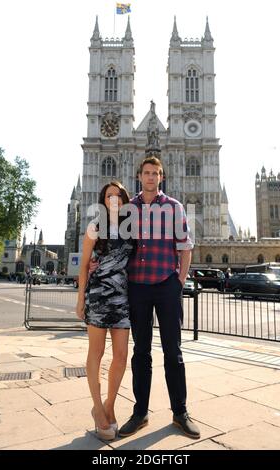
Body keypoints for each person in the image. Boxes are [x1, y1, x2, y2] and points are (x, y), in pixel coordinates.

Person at [89, 156, 200, 440]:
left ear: (161, 177)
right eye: (146, 173)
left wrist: (180, 281)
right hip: (136, 287)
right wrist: (95, 262)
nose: (150, 177)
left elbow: (185, 247)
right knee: (141, 353)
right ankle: (140, 413)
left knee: (173, 351)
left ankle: (180, 411)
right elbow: (111, 240)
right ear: (139, 176)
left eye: (155, 173)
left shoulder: (173, 208)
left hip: (166, 285)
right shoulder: (128, 209)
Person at [76, 181, 134, 441]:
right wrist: (80, 300)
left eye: (118, 196)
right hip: (98, 296)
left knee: (121, 356)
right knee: (96, 354)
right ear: (102, 200)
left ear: (124, 200)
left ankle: (110, 404)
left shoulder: (131, 229)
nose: (114, 200)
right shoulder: (94, 227)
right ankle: (98, 409)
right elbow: (84, 265)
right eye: (109, 196)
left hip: (122, 298)